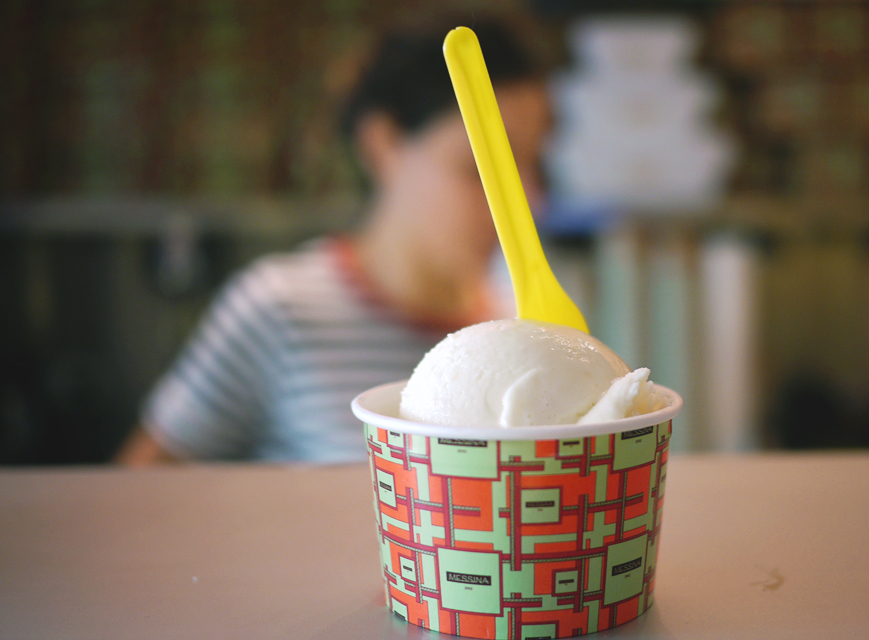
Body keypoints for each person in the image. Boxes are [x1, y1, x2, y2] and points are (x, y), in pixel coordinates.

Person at [116, 18, 551, 464]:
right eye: (480, 169)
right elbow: (143, 482)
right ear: (383, 143)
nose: (529, 201)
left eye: (534, 164)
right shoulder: (278, 311)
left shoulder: (518, 332)